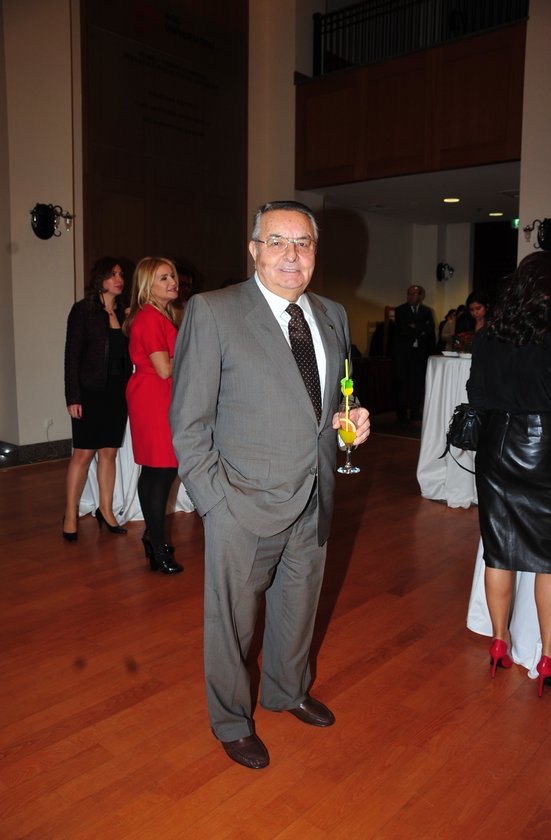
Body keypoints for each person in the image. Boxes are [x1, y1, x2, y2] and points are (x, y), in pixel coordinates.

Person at [170, 200, 370, 769]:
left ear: (315, 252)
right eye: (277, 241)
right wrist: (215, 504)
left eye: (302, 243)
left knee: (298, 606)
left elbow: (331, 398)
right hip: (241, 501)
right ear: (254, 249)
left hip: (314, 494)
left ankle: (287, 690)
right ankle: (232, 721)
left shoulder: (331, 314)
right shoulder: (215, 311)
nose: (290, 254)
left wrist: (352, 417)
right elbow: (188, 421)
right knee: (232, 624)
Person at [467, 251, 551, 697]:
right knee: (550, 559)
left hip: (496, 448)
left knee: (498, 550)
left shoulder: (489, 335)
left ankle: (499, 642)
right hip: (548, 449)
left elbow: (476, 394)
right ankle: (548, 657)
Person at [63, 257, 131, 541]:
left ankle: (106, 510)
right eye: (112, 274)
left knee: (109, 453)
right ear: (99, 278)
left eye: (121, 274)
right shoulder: (83, 311)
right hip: (89, 392)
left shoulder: (125, 313)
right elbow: (71, 357)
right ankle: (70, 513)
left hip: (117, 393)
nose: (119, 279)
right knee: (83, 453)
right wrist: (73, 396)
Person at [124, 257, 184, 575]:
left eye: (172, 276)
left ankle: (153, 537)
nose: (172, 282)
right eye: (163, 278)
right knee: (161, 471)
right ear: (148, 285)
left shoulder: (157, 315)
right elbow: (163, 369)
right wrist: (194, 357)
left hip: (155, 396)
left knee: (156, 472)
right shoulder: (149, 318)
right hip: (154, 397)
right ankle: (158, 547)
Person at [393, 284, 435, 422]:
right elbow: (403, 329)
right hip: (403, 354)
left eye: (414, 294)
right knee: (402, 384)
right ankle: (401, 414)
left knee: (417, 384)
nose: (411, 296)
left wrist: (414, 327)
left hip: (419, 354)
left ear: (421, 296)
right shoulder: (400, 310)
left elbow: (430, 329)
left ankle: (415, 412)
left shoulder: (427, 311)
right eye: (409, 293)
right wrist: (421, 329)